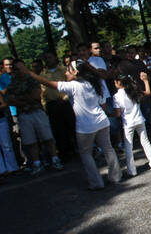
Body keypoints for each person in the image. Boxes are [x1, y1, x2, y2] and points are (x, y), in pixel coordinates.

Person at [27, 60, 121, 189]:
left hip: (85, 127)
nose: (66, 72)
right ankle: (116, 177)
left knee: (86, 154)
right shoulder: (94, 83)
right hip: (102, 121)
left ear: (76, 72)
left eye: (68, 69)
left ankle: (96, 182)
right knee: (108, 149)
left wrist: (29, 73)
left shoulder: (73, 86)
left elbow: (47, 83)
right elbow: (102, 102)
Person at [6, 61, 63, 174]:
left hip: (37, 111)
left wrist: (20, 99)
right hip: (23, 114)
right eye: (16, 69)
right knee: (30, 141)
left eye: (21, 68)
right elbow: (10, 100)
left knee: (47, 137)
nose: (19, 71)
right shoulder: (13, 84)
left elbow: (36, 95)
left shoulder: (32, 80)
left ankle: (55, 159)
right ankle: (37, 163)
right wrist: (26, 99)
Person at [113, 73, 151, 175]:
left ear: (119, 83)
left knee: (129, 146)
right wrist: (146, 81)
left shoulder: (116, 96)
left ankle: (132, 170)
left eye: (115, 82)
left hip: (128, 123)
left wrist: (109, 114)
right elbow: (148, 93)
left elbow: (117, 113)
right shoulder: (134, 91)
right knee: (145, 141)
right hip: (139, 119)